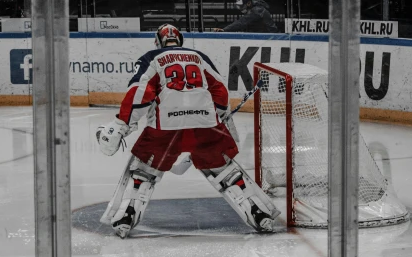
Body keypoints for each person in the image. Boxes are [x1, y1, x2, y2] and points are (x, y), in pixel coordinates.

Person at [96, 24, 280, 238]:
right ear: (180, 40)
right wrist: (220, 116)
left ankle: (127, 216)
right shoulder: (199, 57)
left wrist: (122, 124)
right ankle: (259, 214)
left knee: (144, 171)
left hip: (166, 126)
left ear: (159, 41)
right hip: (204, 123)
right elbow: (220, 90)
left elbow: (140, 93)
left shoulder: (151, 57)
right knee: (224, 171)